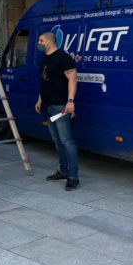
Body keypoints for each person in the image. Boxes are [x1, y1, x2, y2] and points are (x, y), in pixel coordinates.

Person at [35, 31, 80, 190]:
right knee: (57, 140)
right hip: (48, 106)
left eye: (41, 40)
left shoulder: (63, 57)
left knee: (67, 141)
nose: (38, 43)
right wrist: (40, 100)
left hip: (60, 107)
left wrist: (70, 102)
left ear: (49, 42)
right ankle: (63, 171)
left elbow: (72, 79)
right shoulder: (44, 59)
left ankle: (73, 176)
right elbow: (44, 81)